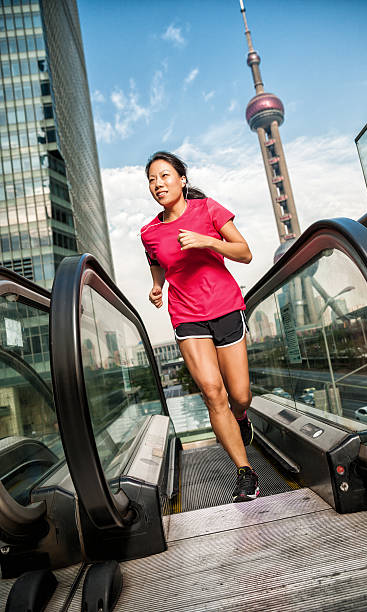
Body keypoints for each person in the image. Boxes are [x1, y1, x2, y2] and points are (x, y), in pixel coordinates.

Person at [141, 151, 259, 502]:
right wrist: (157, 286)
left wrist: (207, 240)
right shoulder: (149, 232)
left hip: (224, 306)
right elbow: (157, 262)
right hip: (186, 315)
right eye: (151, 179)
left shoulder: (207, 209)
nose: (158, 184)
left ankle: (240, 418)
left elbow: (244, 252)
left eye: (164, 176)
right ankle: (245, 472)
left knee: (239, 395)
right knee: (212, 392)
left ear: (181, 179)